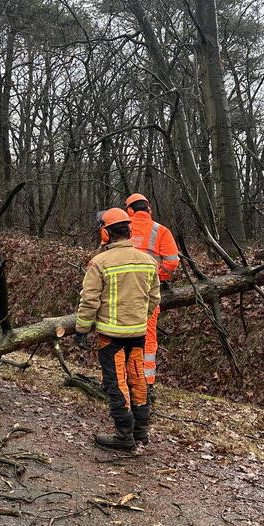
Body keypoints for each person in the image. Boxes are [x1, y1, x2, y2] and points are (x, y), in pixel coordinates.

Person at [73, 208, 160, 451]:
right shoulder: (148, 261)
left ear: (105, 233)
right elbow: (154, 299)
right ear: (128, 230)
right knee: (138, 379)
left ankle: (124, 435)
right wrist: (138, 317)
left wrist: (82, 328)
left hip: (111, 336)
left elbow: (90, 300)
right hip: (138, 333)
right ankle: (141, 430)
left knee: (117, 383)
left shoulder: (100, 263)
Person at [124, 193, 179, 387]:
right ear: (148, 209)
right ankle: (146, 383)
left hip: (120, 291)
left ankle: (122, 381)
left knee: (118, 335)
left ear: (129, 210)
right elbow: (172, 262)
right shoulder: (161, 230)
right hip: (148, 292)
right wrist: (158, 277)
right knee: (147, 337)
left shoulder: (120, 229)